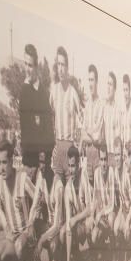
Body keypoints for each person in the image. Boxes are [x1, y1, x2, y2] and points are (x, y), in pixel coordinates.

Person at [0, 141, 31, 261]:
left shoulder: (22, 179)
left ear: (11, 161)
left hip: (26, 234)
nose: (1, 167)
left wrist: (32, 224)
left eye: (4, 162)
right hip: (12, 236)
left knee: (20, 247)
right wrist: (6, 225)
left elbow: (39, 199)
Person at [18, 44, 54, 167]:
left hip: (43, 160)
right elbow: (26, 127)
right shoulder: (23, 90)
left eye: (30, 65)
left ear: (36, 67)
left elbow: (47, 128)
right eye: (25, 64)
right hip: (28, 159)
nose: (27, 69)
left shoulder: (44, 93)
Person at [49, 45, 81, 178]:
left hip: (69, 148)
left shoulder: (73, 92)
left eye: (63, 65)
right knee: (57, 193)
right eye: (58, 65)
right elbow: (50, 117)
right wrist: (53, 144)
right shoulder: (53, 91)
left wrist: (77, 147)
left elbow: (81, 122)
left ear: (67, 67)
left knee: (69, 194)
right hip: (58, 147)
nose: (60, 69)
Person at [82, 63, 105, 180]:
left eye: (92, 80)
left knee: (98, 192)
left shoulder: (101, 105)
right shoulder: (87, 106)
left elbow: (98, 137)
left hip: (98, 154)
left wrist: (88, 131)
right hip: (88, 155)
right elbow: (83, 135)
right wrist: (91, 133)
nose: (90, 83)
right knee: (89, 194)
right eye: (89, 80)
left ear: (96, 82)